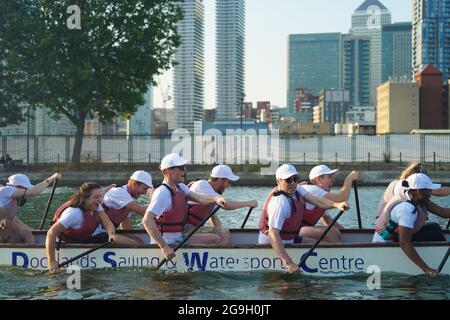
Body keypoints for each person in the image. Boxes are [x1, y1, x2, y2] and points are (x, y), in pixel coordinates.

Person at [258, 164, 349, 273]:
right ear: (278, 182)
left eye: (295, 179)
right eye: (288, 180)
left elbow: (318, 201)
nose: (292, 183)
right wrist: (289, 263)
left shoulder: (298, 189)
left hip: (288, 237)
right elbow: (273, 234)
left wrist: (336, 205)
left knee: (325, 247)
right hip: (272, 242)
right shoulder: (279, 203)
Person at [142, 153, 227, 259]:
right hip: (168, 242)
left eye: (184, 168)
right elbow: (147, 220)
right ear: (168, 171)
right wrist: (164, 247)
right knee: (215, 238)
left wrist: (216, 199)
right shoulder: (162, 193)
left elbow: (200, 199)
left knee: (216, 239)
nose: (184, 171)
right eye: (181, 168)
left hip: (180, 237)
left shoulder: (180, 187)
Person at [46, 182, 140, 273]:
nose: (99, 200)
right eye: (96, 197)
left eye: (99, 196)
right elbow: (51, 233)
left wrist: (111, 234)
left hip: (83, 239)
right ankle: (139, 254)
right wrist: (52, 262)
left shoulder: (96, 206)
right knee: (131, 242)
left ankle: (138, 250)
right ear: (84, 199)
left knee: (129, 239)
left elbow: (107, 223)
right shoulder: (74, 213)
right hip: (65, 243)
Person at [373, 173, 449, 276]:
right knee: (434, 231)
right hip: (386, 242)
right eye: (429, 190)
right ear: (419, 191)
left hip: (399, 236)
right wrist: (427, 269)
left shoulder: (417, 198)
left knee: (433, 227)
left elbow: (442, 212)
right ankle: (440, 255)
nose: (431, 193)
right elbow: (404, 242)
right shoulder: (406, 209)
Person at [187, 165, 258, 244]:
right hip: (186, 229)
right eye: (229, 182)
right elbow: (226, 205)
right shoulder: (202, 185)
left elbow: (213, 217)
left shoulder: (211, 193)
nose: (229, 186)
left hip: (193, 228)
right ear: (220, 180)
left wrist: (220, 231)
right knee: (224, 232)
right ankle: (223, 255)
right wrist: (248, 203)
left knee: (223, 232)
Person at [299, 165, 359, 243]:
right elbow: (341, 198)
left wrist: (350, 233)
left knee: (335, 231)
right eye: (329, 177)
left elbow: (328, 221)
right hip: (291, 231)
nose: (333, 180)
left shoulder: (321, 196)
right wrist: (349, 179)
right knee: (331, 233)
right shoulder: (311, 189)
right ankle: (343, 254)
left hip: (300, 229)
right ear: (319, 179)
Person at [375, 161, 450, 219]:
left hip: (383, 227)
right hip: (391, 231)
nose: (430, 193)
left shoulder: (402, 186)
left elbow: (441, 211)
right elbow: (441, 211)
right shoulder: (409, 192)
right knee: (434, 229)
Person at [0, 173, 61, 244]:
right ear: (17, 187)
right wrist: (53, 178)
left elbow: (14, 220)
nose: (26, 196)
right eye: (26, 189)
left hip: (3, 228)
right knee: (27, 235)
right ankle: (36, 252)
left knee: (27, 233)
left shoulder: (10, 199)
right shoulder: (5, 190)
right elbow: (33, 192)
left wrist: (35, 231)